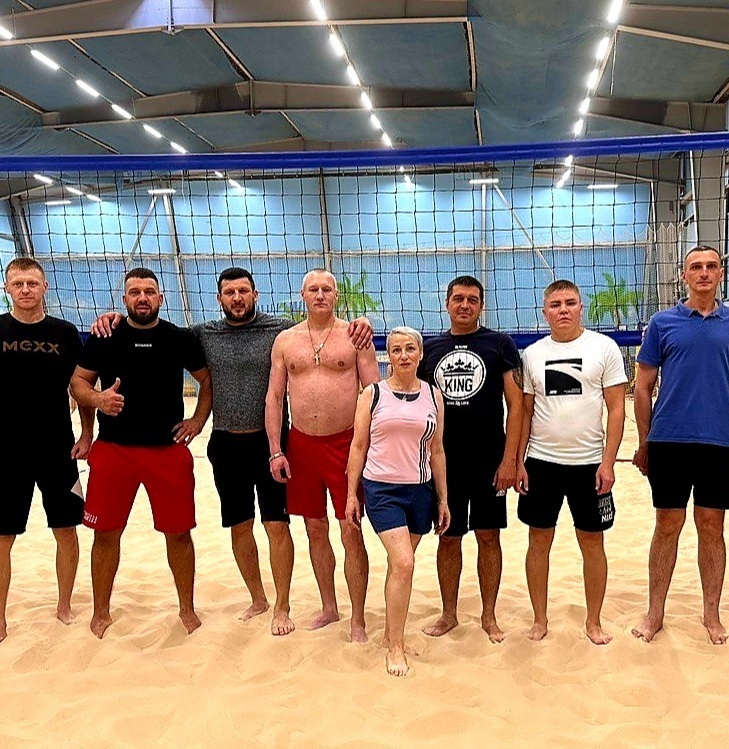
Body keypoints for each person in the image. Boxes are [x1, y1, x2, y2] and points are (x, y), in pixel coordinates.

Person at [91, 267, 373, 637]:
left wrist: (362, 322)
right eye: (229, 292)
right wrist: (112, 318)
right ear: (219, 298)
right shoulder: (202, 334)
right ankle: (259, 599)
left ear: (256, 295)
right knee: (245, 526)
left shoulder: (280, 330)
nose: (237, 298)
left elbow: (323, 332)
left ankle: (284, 605)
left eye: (243, 291)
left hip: (274, 442)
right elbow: (155, 328)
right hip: (226, 443)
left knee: (281, 526)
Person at [71, 268, 211, 638]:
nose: (143, 298)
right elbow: (78, 382)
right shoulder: (105, 335)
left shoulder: (179, 338)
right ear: (125, 299)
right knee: (106, 534)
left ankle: (187, 609)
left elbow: (206, 380)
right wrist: (98, 399)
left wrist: (197, 420)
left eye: (149, 291)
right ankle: (101, 612)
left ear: (161, 298)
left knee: (179, 533)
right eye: (135, 292)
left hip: (168, 451)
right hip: (114, 450)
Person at [266, 269, 380, 642]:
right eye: (313, 289)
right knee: (315, 528)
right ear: (302, 294)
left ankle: (358, 618)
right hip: (301, 445)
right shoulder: (286, 341)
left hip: (345, 445)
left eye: (326, 289)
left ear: (336, 295)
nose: (320, 295)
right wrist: (275, 450)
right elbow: (274, 398)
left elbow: (374, 393)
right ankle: (330, 606)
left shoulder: (355, 336)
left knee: (351, 529)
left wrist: (371, 448)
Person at [516, 279, 626, 645]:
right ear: (544, 312)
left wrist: (608, 463)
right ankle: (540, 619)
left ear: (581, 307)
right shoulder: (532, 354)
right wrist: (519, 461)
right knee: (538, 540)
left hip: (589, 464)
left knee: (592, 543)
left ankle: (593, 621)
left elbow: (616, 409)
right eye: (556, 304)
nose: (563, 309)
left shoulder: (604, 348)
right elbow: (525, 412)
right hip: (541, 462)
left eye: (570, 303)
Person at [632, 245, 729, 645]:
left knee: (712, 526)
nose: (703, 272)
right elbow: (642, 386)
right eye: (696, 267)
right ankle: (655, 613)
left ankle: (711, 614)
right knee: (667, 525)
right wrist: (643, 442)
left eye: (711, 266)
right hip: (669, 440)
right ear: (684, 275)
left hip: (719, 442)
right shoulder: (662, 323)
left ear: (721, 274)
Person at [418, 275, 522, 642]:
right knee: (448, 537)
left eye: (472, 299)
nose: (465, 305)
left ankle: (488, 616)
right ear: (447, 303)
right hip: (444, 463)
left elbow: (516, 405)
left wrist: (510, 460)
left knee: (488, 536)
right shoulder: (429, 349)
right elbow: (415, 404)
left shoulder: (500, 344)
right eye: (459, 298)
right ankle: (449, 614)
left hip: (489, 460)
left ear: (481, 305)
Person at [346, 327, 450, 676]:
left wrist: (443, 499)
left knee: (399, 566)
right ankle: (396, 648)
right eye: (396, 350)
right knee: (404, 562)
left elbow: (437, 450)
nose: (403, 355)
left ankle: (391, 633)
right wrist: (351, 494)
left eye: (409, 349)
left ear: (420, 354)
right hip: (382, 489)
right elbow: (358, 446)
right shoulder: (373, 394)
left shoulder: (434, 395)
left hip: (419, 490)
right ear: (388, 356)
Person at [0, 258, 94, 642]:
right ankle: (0, 617)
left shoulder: (65, 333)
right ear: (7, 288)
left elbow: (81, 387)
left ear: (44, 287)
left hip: (58, 449)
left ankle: (64, 604)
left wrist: (87, 434)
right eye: (18, 283)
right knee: (3, 536)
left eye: (32, 283)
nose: (25, 289)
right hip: (6, 452)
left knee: (66, 529)